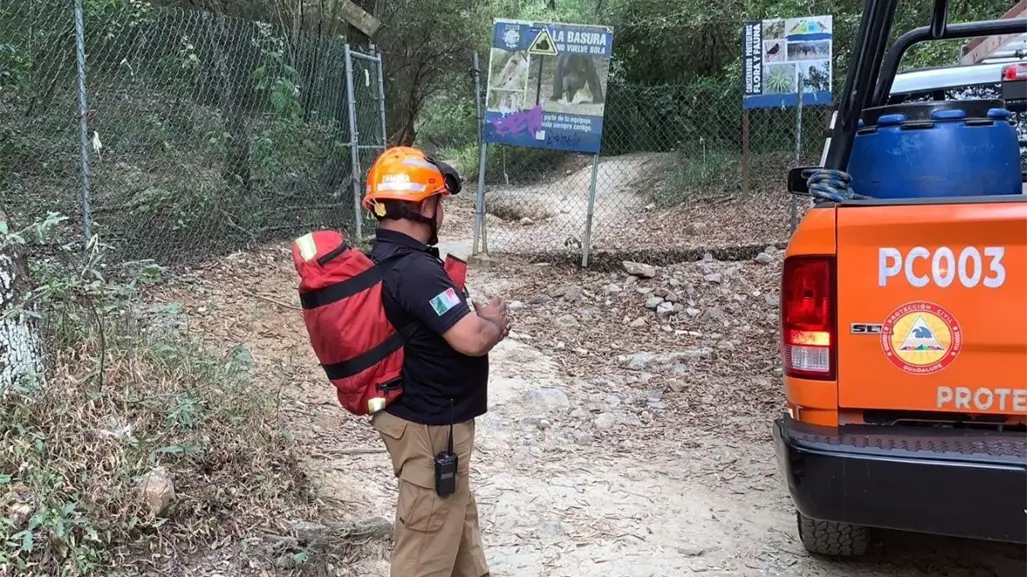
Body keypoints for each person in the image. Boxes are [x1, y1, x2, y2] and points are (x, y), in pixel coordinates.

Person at [362, 146, 510, 577]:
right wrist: (494, 323)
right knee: (427, 543)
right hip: (431, 428)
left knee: (453, 517)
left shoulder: (387, 260)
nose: (441, 212)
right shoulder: (416, 271)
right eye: (440, 202)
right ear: (425, 205)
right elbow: (470, 339)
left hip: (429, 419)